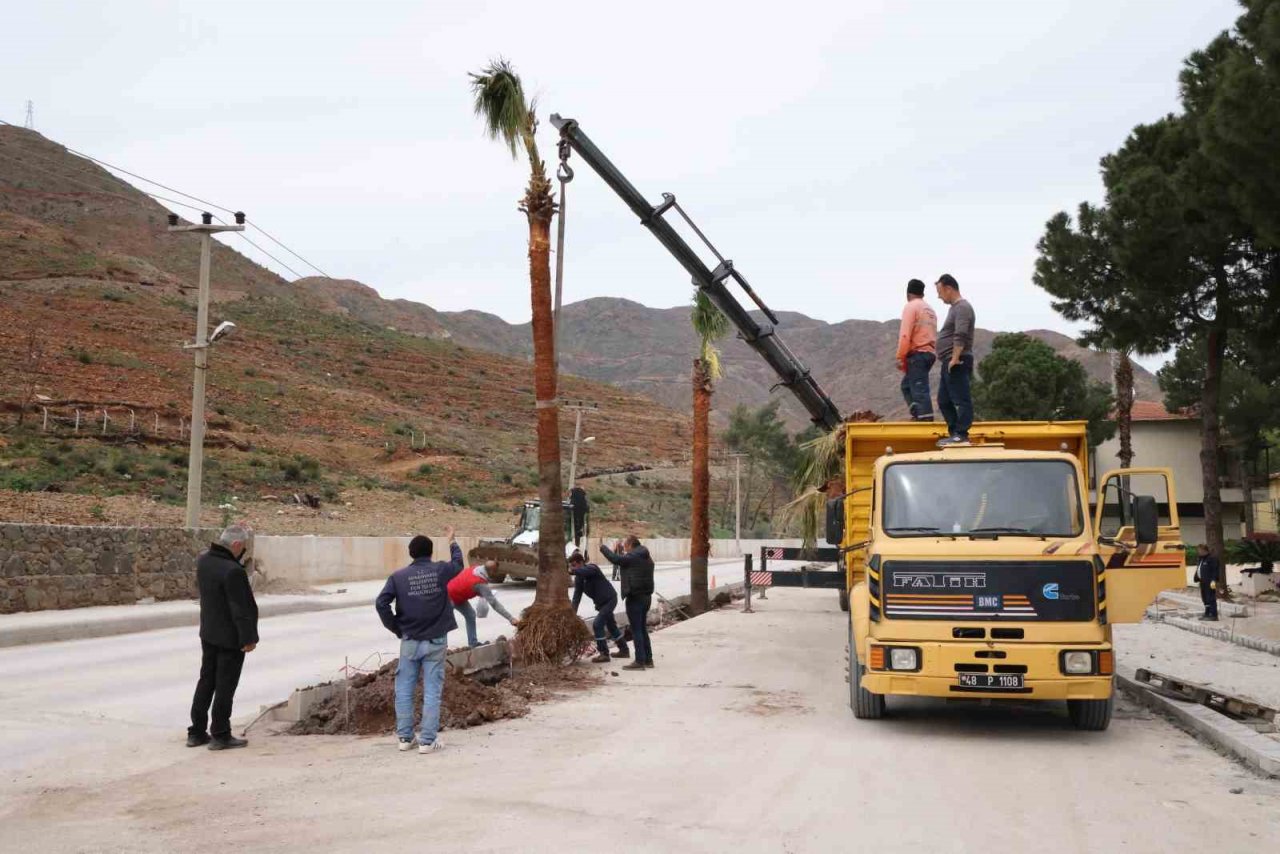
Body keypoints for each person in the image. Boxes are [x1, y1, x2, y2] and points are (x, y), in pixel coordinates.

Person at [375, 526, 464, 754]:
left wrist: (396, 627)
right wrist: (452, 541)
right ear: (431, 552)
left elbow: (381, 603)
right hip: (435, 641)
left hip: (410, 640)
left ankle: (405, 739)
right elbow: (458, 565)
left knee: (404, 689)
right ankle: (427, 741)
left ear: (411, 553)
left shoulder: (398, 577)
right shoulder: (440, 570)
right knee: (432, 690)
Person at [188, 524, 259, 751]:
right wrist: (249, 638)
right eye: (243, 547)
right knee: (225, 686)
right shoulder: (233, 571)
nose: (243, 552)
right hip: (230, 638)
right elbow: (240, 609)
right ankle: (220, 734)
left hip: (208, 632)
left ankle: (197, 732)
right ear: (236, 545)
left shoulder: (204, 561)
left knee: (206, 681)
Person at [599, 536, 655, 671]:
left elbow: (617, 560)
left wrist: (602, 548)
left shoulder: (634, 556)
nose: (624, 548)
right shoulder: (644, 556)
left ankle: (639, 661)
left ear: (630, 544)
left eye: (625, 545)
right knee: (642, 629)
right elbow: (624, 560)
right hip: (646, 597)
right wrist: (618, 550)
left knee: (636, 631)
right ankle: (648, 659)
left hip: (635, 597)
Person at [934, 273, 975, 447]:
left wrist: (955, 358)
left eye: (940, 291)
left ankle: (961, 434)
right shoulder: (954, 309)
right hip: (949, 360)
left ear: (949, 288)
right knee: (943, 400)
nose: (939, 296)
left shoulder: (962, 307)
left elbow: (961, 333)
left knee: (961, 399)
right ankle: (954, 434)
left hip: (957, 360)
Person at [569, 550, 630, 663]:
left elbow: (583, 571)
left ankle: (604, 654)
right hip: (601, 604)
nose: (573, 568)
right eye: (571, 566)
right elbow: (576, 597)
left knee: (597, 624)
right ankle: (624, 650)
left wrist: (573, 571)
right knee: (611, 626)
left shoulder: (592, 568)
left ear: (581, 562)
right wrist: (572, 614)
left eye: (574, 565)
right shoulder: (579, 579)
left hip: (610, 599)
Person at [448, 560, 518, 647]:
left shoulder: (477, 569)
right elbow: (494, 604)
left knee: (470, 615)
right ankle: (442, 648)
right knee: (445, 621)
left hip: (458, 596)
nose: (496, 573)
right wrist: (511, 618)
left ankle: (473, 643)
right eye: (496, 571)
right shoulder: (480, 583)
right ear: (491, 571)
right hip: (447, 597)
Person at [896, 278, 937, 421]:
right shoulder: (930, 309)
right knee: (907, 386)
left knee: (919, 389)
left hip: (918, 354)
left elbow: (905, 335)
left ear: (908, 294)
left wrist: (901, 357)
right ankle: (917, 415)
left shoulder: (911, 307)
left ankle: (925, 421)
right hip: (929, 353)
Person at [1193, 543, 1220, 622]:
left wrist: (1214, 580)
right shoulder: (1201, 559)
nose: (1198, 552)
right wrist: (1196, 577)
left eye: (1200, 550)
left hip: (1210, 581)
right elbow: (1199, 569)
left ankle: (1214, 615)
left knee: (1211, 597)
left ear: (1204, 550)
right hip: (1202, 581)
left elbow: (1215, 570)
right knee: (1205, 598)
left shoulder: (1211, 559)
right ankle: (1207, 613)